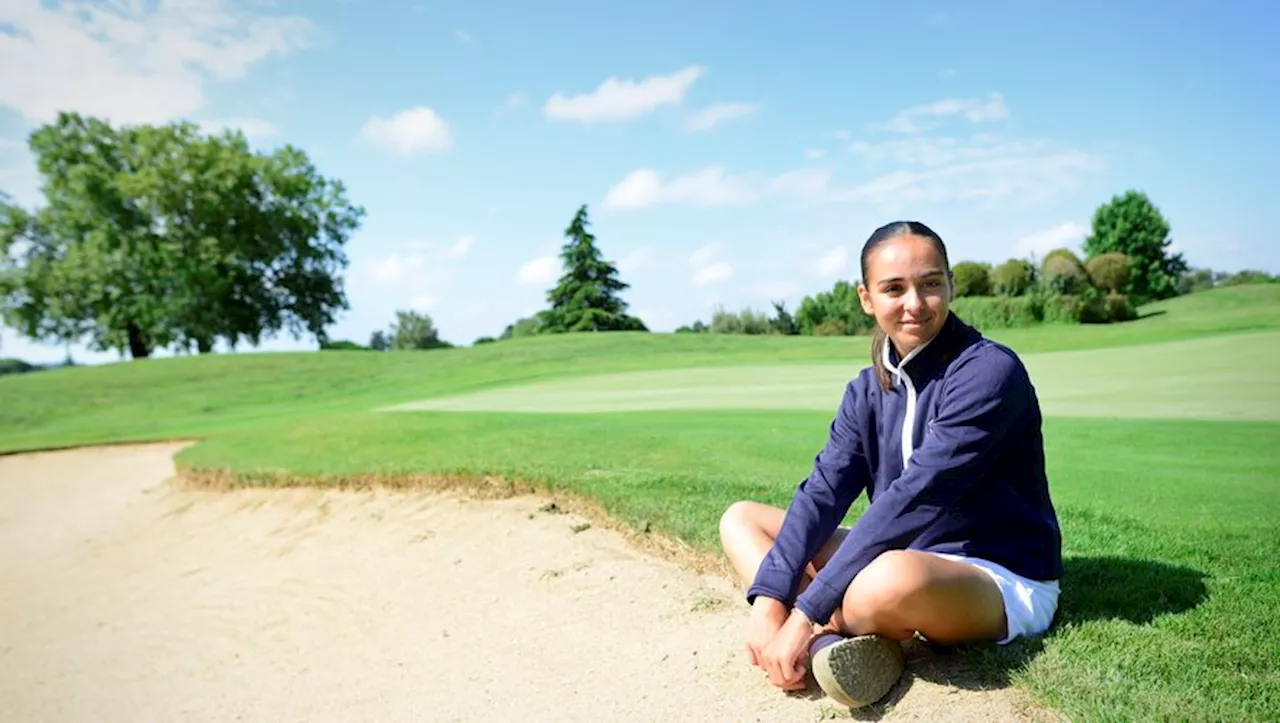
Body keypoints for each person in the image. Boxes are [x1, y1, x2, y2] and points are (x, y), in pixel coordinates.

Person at [718, 221, 1064, 709]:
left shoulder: (989, 371)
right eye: (893, 288)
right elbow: (822, 493)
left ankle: (831, 631)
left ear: (950, 285)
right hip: (899, 554)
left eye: (929, 284)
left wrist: (804, 615)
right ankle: (834, 643)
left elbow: (916, 496)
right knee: (742, 520)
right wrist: (769, 601)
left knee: (878, 585)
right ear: (866, 298)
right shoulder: (866, 389)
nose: (915, 304)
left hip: (995, 573)